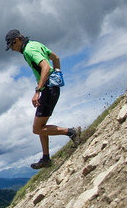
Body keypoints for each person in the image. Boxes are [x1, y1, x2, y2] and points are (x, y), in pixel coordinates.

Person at [5, 29, 82, 169]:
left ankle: (71, 132)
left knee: (37, 129)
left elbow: (46, 67)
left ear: (17, 40)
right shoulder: (35, 44)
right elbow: (55, 58)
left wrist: (38, 90)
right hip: (51, 87)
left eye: (11, 45)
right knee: (40, 126)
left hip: (47, 89)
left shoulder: (29, 50)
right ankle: (46, 158)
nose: (12, 49)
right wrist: (58, 74)